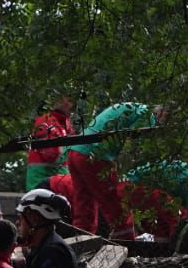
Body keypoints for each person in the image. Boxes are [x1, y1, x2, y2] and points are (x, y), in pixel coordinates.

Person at [65, 102, 163, 237]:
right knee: (115, 204)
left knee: (84, 204)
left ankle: (80, 241)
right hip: (95, 155)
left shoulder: (134, 107)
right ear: (162, 114)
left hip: (76, 151)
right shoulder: (148, 115)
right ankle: (127, 243)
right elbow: (133, 141)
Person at [15, 188, 80, 268]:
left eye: (21, 218)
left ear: (35, 219)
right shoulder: (44, 247)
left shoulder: (53, 252)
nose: (17, 223)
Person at [27, 92, 74, 191]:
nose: (72, 104)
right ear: (57, 101)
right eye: (69, 100)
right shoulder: (46, 120)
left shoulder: (64, 124)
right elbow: (51, 155)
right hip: (43, 183)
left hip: (55, 183)